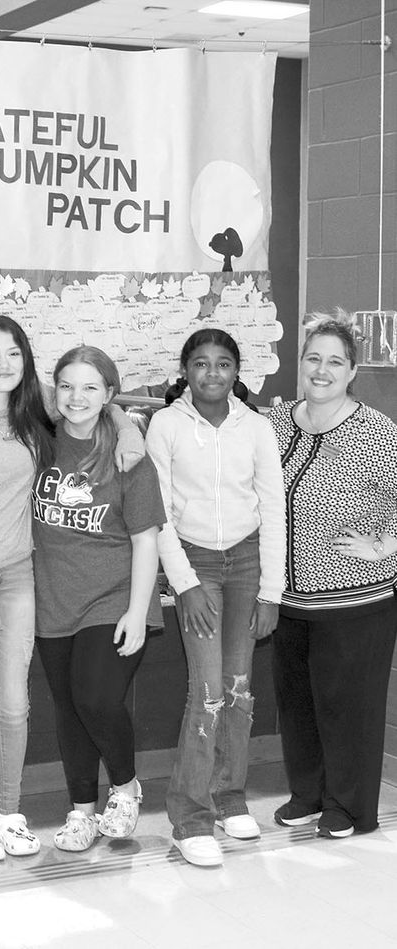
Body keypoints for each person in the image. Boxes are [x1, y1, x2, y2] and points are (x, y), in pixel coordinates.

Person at [0, 320, 144, 862]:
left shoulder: (33, 414)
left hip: (19, 577)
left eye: (13, 354)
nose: (2, 364)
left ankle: (9, 812)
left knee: (15, 705)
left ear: (26, 360)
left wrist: (127, 422)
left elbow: (94, 396)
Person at [145, 328, 285, 868]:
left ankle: (229, 798)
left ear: (236, 371)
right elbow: (156, 514)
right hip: (195, 562)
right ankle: (190, 816)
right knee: (205, 691)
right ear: (186, 370)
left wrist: (270, 592)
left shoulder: (257, 427)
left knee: (239, 689)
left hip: (248, 563)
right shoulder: (166, 425)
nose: (212, 374)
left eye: (223, 364)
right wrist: (185, 583)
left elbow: (273, 507)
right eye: (200, 364)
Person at [268, 315, 397, 839]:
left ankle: (349, 807)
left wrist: (383, 544)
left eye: (334, 362)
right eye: (313, 358)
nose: (321, 370)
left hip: (356, 601)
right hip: (288, 599)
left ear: (352, 372)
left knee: (349, 708)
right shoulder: (275, 425)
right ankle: (309, 794)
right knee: (298, 704)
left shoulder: (377, 432)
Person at [32, 347, 164, 853]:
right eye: (66, 385)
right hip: (53, 599)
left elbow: (145, 537)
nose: (76, 397)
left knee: (95, 698)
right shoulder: (40, 440)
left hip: (114, 597)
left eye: (91, 387)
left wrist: (137, 609)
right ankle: (82, 810)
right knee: (69, 709)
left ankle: (126, 786)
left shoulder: (129, 453)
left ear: (110, 393)